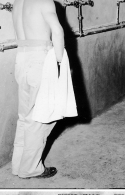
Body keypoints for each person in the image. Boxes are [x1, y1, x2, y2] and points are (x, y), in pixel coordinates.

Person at [11, 0, 76, 179]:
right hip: (39, 59)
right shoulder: (44, 1)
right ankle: (30, 168)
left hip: (21, 58)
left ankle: (18, 165)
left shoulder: (18, 3)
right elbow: (57, 30)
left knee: (24, 117)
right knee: (40, 118)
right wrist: (60, 62)